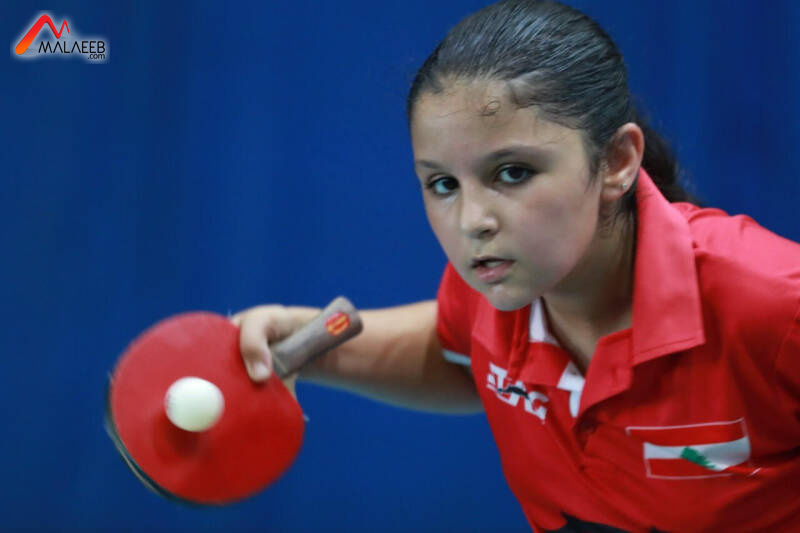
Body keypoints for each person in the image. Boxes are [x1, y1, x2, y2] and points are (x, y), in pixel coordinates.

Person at [231, 1, 800, 531]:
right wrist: (303, 342)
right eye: (443, 184)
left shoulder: (774, 307)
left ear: (617, 161)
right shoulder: (497, 289)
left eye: (512, 173)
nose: (472, 221)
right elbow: (459, 354)